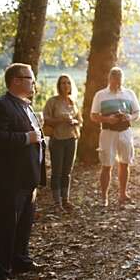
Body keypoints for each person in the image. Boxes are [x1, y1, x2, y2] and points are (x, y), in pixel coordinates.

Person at [0, 63, 46, 280]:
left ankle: (20, 260)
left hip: (27, 179)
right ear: (16, 80)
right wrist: (26, 138)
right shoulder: (1, 106)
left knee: (23, 225)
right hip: (6, 181)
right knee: (5, 228)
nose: (33, 83)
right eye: (30, 78)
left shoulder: (26, 106)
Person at [90, 67, 140, 207]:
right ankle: (104, 197)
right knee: (107, 165)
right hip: (107, 132)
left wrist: (129, 116)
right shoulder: (100, 95)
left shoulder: (129, 94)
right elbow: (93, 116)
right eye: (114, 79)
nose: (117, 82)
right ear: (110, 79)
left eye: (119, 79)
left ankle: (123, 194)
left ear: (122, 79)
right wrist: (107, 119)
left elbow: (138, 112)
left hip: (125, 131)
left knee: (125, 163)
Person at [43, 74, 83, 212]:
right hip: (57, 140)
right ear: (58, 86)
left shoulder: (73, 102)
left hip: (71, 139)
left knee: (67, 172)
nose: (65, 85)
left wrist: (74, 122)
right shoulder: (52, 102)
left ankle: (66, 200)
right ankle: (57, 202)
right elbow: (46, 120)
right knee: (57, 171)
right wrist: (61, 120)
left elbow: (80, 120)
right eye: (62, 83)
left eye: (68, 83)